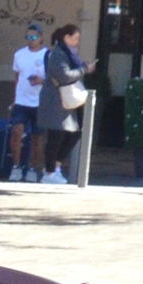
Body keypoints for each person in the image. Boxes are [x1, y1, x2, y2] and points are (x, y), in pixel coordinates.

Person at [0, 23, 43, 181]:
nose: (31, 40)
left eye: (34, 37)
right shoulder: (19, 54)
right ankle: (16, 167)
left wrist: (41, 81)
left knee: (37, 137)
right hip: (21, 102)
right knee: (16, 132)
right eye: (28, 37)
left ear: (41, 38)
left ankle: (33, 169)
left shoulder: (47, 55)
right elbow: (17, 78)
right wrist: (15, 99)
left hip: (39, 102)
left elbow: (52, 79)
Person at [36, 22, 86, 183]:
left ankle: (54, 167)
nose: (78, 42)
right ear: (67, 38)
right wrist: (83, 69)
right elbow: (64, 75)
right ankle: (49, 173)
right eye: (76, 38)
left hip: (65, 101)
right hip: (55, 100)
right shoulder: (58, 53)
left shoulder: (68, 53)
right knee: (55, 136)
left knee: (73, 134)